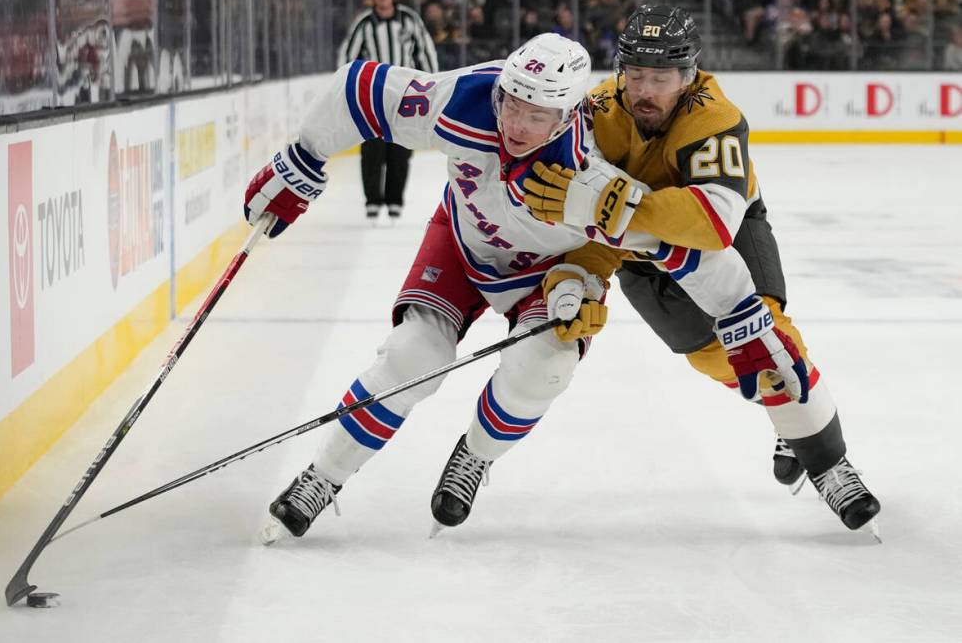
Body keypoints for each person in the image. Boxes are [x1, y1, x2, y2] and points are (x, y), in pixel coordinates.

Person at [243, 32, 788, 540]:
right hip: (460, 245)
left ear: (568, 115)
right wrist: (302, 159)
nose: (517, 125)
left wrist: (738, 314)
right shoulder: (466, 98)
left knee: (544, 367)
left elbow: (685, 251)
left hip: (546, 277)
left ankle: (475, 457)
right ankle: (323, 476)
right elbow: (357, 90)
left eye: (537, 114)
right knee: (411, 357)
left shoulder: (591, 174)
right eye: (511, 104)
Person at [522, 5, 881, 537]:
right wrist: (579, 279)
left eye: (660, 77)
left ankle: (830, 464)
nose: (644, 89)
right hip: (641, 256)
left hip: (730, 231)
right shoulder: (593, 113)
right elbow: (585, 224)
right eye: (636, 74)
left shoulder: (715, 116)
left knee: (764, 337)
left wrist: (609, 206)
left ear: (688, 76)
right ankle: (781, 410)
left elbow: (713, 223)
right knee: (715, 359)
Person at [337, 0, 439, 221]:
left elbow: (424, 51)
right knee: (372, 148)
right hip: (373, 96)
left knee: (401, 148)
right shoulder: (364, 24)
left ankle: (395, 199)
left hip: (405, 94)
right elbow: (348, 57)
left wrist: (431, 85)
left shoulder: (409, 20)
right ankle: (372, 199)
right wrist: (348, 88)